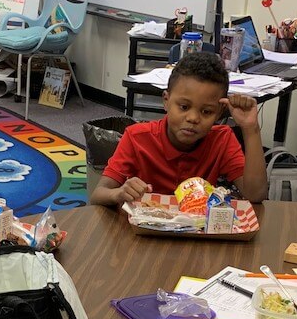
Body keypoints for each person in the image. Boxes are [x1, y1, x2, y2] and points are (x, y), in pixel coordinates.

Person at [90, 52, 268, 206]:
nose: (193, 118)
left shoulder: (222, 139)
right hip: (146, 236)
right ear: (166, 100)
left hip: (198, 235)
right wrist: (119, 193)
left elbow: (255, 195)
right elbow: (98, 194)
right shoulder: (137, 138)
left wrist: (251, 129)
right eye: (184, 107)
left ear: (219, 112)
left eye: (206, 111)